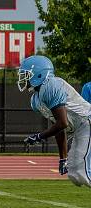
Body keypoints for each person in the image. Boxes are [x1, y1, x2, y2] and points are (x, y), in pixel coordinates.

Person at [18, 55, 91, 187]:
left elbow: (63, 122)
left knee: (82, 173)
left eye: (27, 74)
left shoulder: (52, 85)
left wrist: (39, 136)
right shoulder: (36, 100)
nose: (24, 78)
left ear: (39, 74)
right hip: (79, 128)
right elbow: (59, 126)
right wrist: (63, 158)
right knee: (74, 175)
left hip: (87, 122)